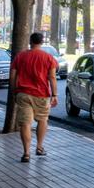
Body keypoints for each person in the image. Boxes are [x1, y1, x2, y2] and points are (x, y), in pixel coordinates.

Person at [10, 31, 58, 162]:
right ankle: (39, 147)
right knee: (42, 120)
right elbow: (52, 77)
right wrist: (54, 94)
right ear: (42, 42)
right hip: (41, 94)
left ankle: (26, 153)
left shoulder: (20, 57)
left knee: (25, 124)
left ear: (30, 42)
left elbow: (13, 75)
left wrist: (15, 91)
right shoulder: (48, 58)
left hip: (23, 94)